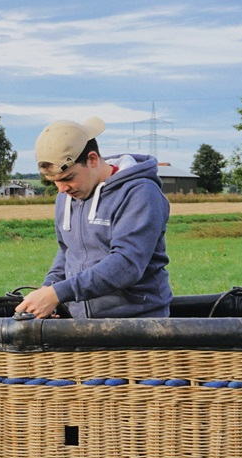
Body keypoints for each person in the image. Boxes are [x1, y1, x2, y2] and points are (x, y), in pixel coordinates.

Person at [16, 117, 173, 319]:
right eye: (53, 182)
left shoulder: (140, 193)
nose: (61, 189)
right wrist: (48, 291)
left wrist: (58, 293)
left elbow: (126, 263)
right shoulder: (67, 195)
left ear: (91, 159)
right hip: (81, 323)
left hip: (136, 324)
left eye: (68, 178)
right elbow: (67, 253)